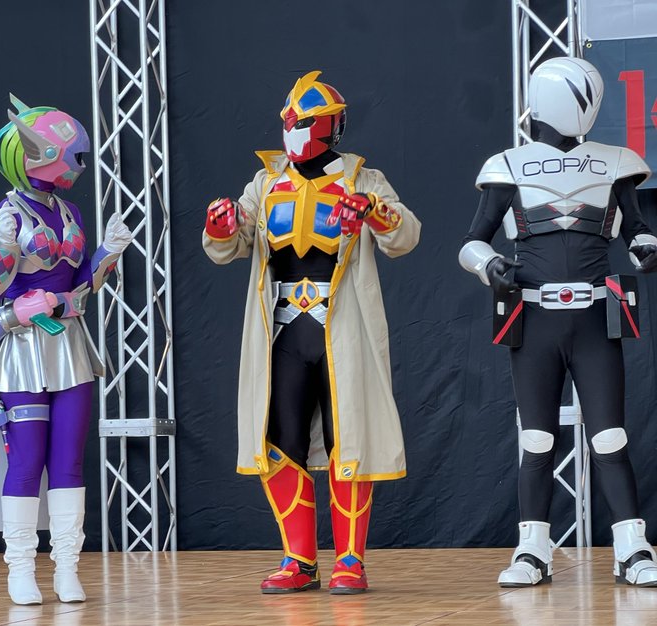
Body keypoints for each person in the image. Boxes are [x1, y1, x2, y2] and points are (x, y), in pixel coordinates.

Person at [203, 71, 420, 594]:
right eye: (290, 121)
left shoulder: (363, 180)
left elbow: (405, 236)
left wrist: (375, 213)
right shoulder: (265, 183)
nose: (293, 131)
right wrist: (221, 225)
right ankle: (299, 559)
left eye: (303, 122)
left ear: (331, 127)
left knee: (351, 440)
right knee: (280, 440)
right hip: (282, 329)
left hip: (341, 327)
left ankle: (349, 559)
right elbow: (230, 245)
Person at [459, 57, 657, 587]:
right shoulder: (508, 166)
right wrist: (489, 265)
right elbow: (473, 242)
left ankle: (632, 546)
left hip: (594, 315)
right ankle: (532, 548)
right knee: (537, 439)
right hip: (536, 317)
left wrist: (645, 247)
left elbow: (637, 229)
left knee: (609, 436)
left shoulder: (616, 164)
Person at [0, 95, 132, 605]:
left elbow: (82, 286)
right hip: (21, 351)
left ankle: (67, 566)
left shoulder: (69, 211)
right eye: (71, 155)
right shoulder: (5, 215)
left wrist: (107, 253)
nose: (77, 164)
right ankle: (20, 570)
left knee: (68, 462)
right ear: (37, 154)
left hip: (68, 347)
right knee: (26, 462)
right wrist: (3, 246)